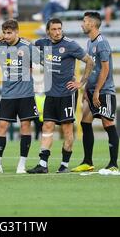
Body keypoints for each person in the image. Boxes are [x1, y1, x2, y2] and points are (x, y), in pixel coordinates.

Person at [28, 18, 94, 174]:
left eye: (59, 29)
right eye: (54, 29)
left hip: (66, 94)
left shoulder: (70, 45)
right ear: (48, 31)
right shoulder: (43, 43)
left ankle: (64, 165)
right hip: (51, 93)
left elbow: (90, 61)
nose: (57, 32)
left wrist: (81, 83)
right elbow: (27, 44)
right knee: (47, 126)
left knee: (67, 129)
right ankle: (43, 164)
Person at [0, 19, 39, 174]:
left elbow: (42, 61)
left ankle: (21, 165)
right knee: (1, 126)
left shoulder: (27, 46)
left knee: (25, 127)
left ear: (17, 32)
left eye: (10, 33)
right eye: (5, 32)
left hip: (25, 94)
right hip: (8, 94)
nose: (7, 36)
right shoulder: (1, 45)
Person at [72, 11, 120, 175]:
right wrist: (85, 87)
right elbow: (91, 66)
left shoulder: (102, 43)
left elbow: (105, 69)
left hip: (104, 91)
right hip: (92, 91)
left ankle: (113, 164)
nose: (82, 24)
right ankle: (87, 161)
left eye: (84, 21)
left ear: (92, 24)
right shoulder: (89, 42)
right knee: (85, 123)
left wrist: (97, 91)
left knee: (108, 124)